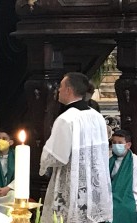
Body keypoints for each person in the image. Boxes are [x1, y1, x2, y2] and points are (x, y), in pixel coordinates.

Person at [39, 72, 113, 222]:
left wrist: (43, 161)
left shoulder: (66, 119)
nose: (58, 90)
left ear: (68, 90)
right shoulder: (97, 116)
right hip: (94, 188)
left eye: (60, 87)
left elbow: (56, 156)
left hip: (72, 185)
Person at [110, 129, 137, 223]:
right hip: (112, 198)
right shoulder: (110, 161)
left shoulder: (136, 162)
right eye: (114, 142)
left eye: (120, 143)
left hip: (130, 199)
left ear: (128, 145)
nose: (116, 145)